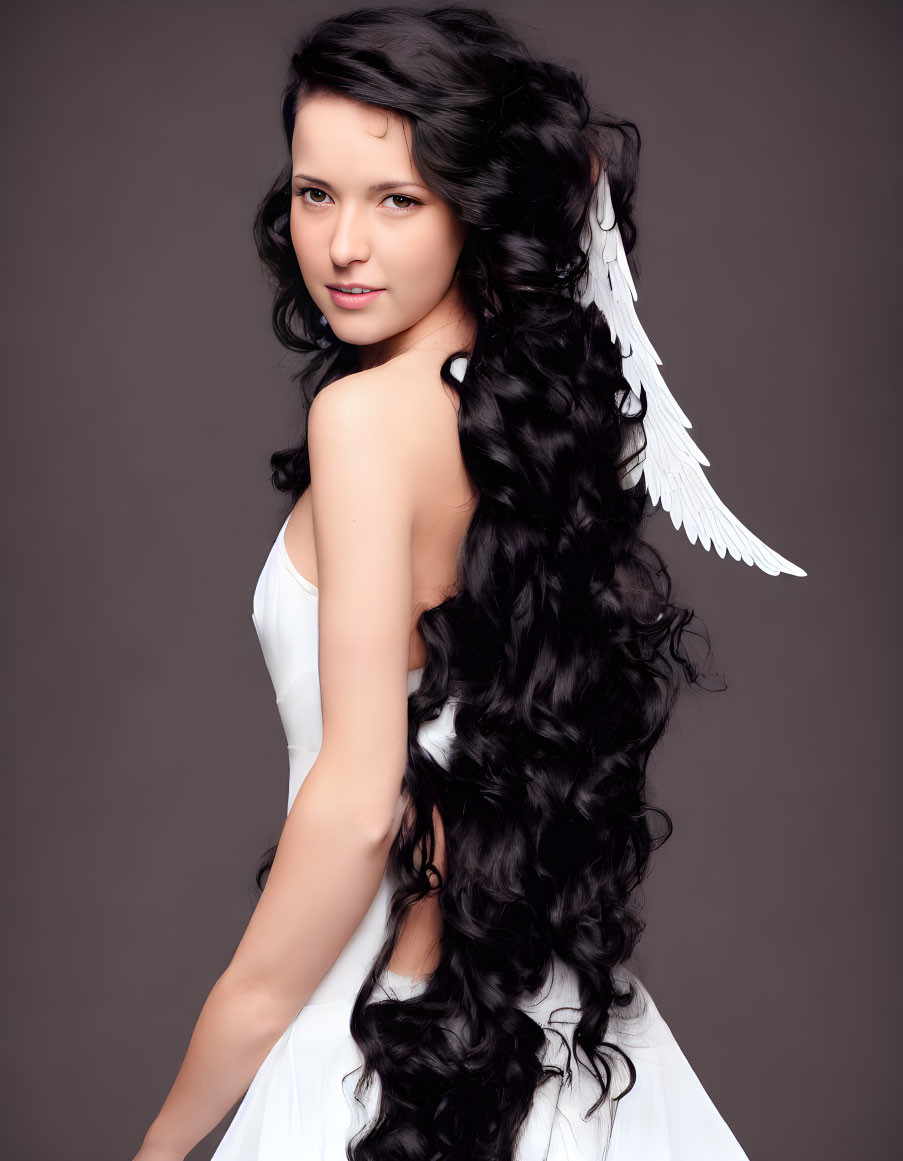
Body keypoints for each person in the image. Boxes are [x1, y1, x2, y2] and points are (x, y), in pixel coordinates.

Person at [132, 5, 802, 1158]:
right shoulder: (515, 416)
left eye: (397, 199)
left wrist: (168, 1130)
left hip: (381, 1042)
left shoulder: (363, 420)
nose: (343, 245)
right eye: (314, 193)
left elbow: (356, 806)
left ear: (471, 206)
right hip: (520, 1018)